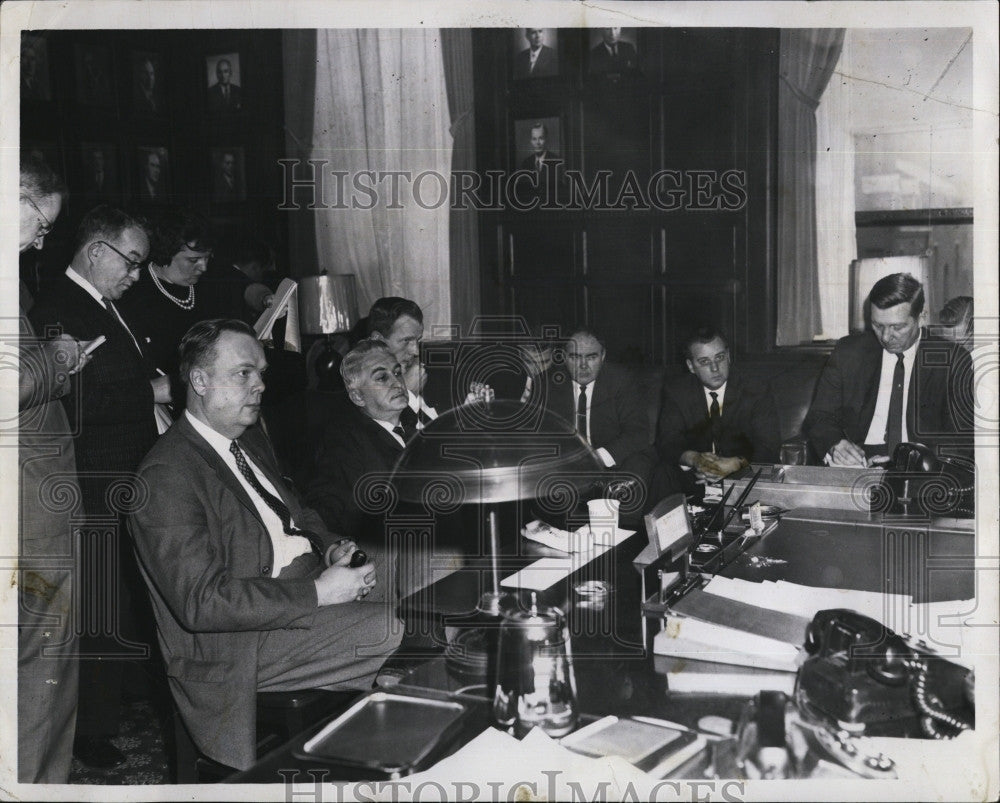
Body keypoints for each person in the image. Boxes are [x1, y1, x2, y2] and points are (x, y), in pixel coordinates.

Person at [129, 320, 399, 771]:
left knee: (432, 562)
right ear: (199, 380)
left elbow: (300, 516)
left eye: (261, 373)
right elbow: (203, 603)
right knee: (396, 626)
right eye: (243, 374)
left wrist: (334, 547)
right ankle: (398, 748)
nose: (260, 385)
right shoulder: (165, 476)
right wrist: (320, 592)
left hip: (305, 579)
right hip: (239, 643)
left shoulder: (248, 437)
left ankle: (395, 720)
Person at [28, 205, 167, 771]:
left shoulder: (103, 304)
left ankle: (111, 705)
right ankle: (89, 730)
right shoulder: (56, 310)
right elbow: (64, 402)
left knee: (116, 598)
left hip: (124, 474)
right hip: (91, 479)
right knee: (98, 604)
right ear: (96, 250)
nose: (137, 275)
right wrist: (152, 392)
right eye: (132, 262)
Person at [15, 156, 92, 783]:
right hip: (29, 514)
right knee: (41, 661)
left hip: (31, 503)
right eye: (42, 224)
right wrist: (58, 360)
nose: (44, 239)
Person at [803, 273, 974, 466]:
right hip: (859, 463)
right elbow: (819, 416)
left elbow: (962, 438)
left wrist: (909, 462)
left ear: (922, 317)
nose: (885, 337)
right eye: (878, 325)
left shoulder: (953, 360)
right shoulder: (848, 352)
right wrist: (836, 445)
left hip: (921, 465)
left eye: (897, 327)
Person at [655, 327, 779, 490]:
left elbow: (769, 446)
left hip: (744, 478)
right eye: (704, 361)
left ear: (728, 356)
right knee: (661, 475)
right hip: (695, 478)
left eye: (719, 358)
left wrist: (736, 464)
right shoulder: (677, 391)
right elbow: (668, 441)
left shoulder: (756, 389)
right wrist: (696, 460)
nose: (715, 368)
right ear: (691, 366)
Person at [537, 326, 655, 483]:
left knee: (640, 463)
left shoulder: (623, 381)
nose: (583, 365)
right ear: (564, 357)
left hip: (612, 463)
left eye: (591, 357)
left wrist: (596, 459)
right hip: (565, 467)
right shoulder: (546, 384)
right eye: (575, 357)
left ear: (603, 356)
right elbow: (540, 437)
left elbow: (637, 433)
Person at [118, 206, 216, 385]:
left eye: (208, 257)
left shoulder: (209, 282)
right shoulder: (134, 293)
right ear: (166, 252)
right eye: (193, 260)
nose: (204, 267)